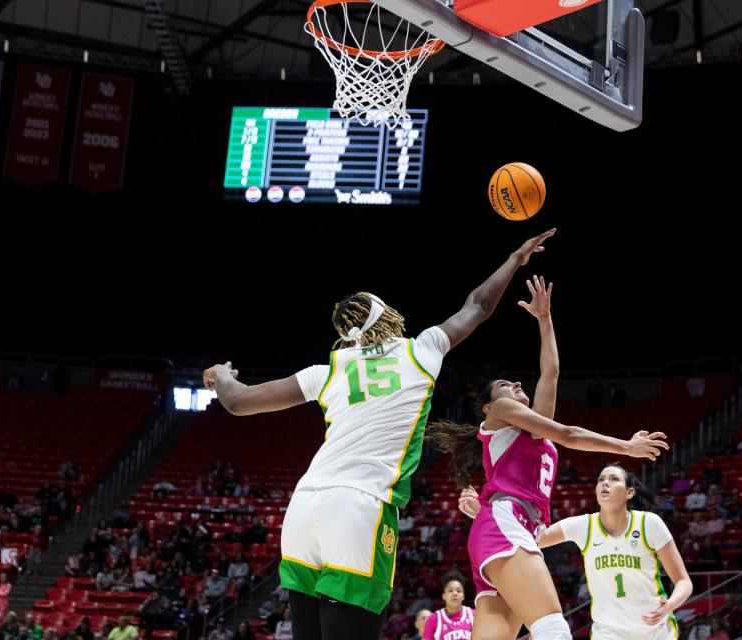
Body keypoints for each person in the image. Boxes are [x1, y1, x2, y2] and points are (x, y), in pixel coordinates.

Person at [204, 230, 557, 640]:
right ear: (386, 317)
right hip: (360, 508)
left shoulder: (329, 369)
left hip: (304, 506)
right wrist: (514, 258)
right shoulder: (419, 351)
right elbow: (477, 306)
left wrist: (223, 375)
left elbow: (239, 402)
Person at [426, 276, 669, 640]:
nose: (517, 386)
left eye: (517, 384)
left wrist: (544, 318)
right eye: (507, 385)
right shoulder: (503, 413)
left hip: (511, 527)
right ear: (491, 406)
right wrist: (626, 448)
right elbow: (569, 435)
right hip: (505, 524)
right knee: (552, 626)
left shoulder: (532, 433)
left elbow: (550, 372)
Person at [461, 464, 692, 640]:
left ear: (629, 492)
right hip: (607, 634)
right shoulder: (584, 526)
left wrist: (669, 606)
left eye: (613, 479)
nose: (605, 484)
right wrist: (484, 515)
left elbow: (683, 581)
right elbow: (526, 537)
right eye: (601, 479)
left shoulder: (648, 524)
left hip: (655, 631)